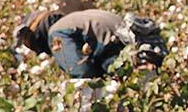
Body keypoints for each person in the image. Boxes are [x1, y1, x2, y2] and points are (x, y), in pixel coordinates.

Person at [14, 10, 167, 78]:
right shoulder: (77, 17)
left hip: (121, 60)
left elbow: (81, 72)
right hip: (143, 51)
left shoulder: (56, 33)